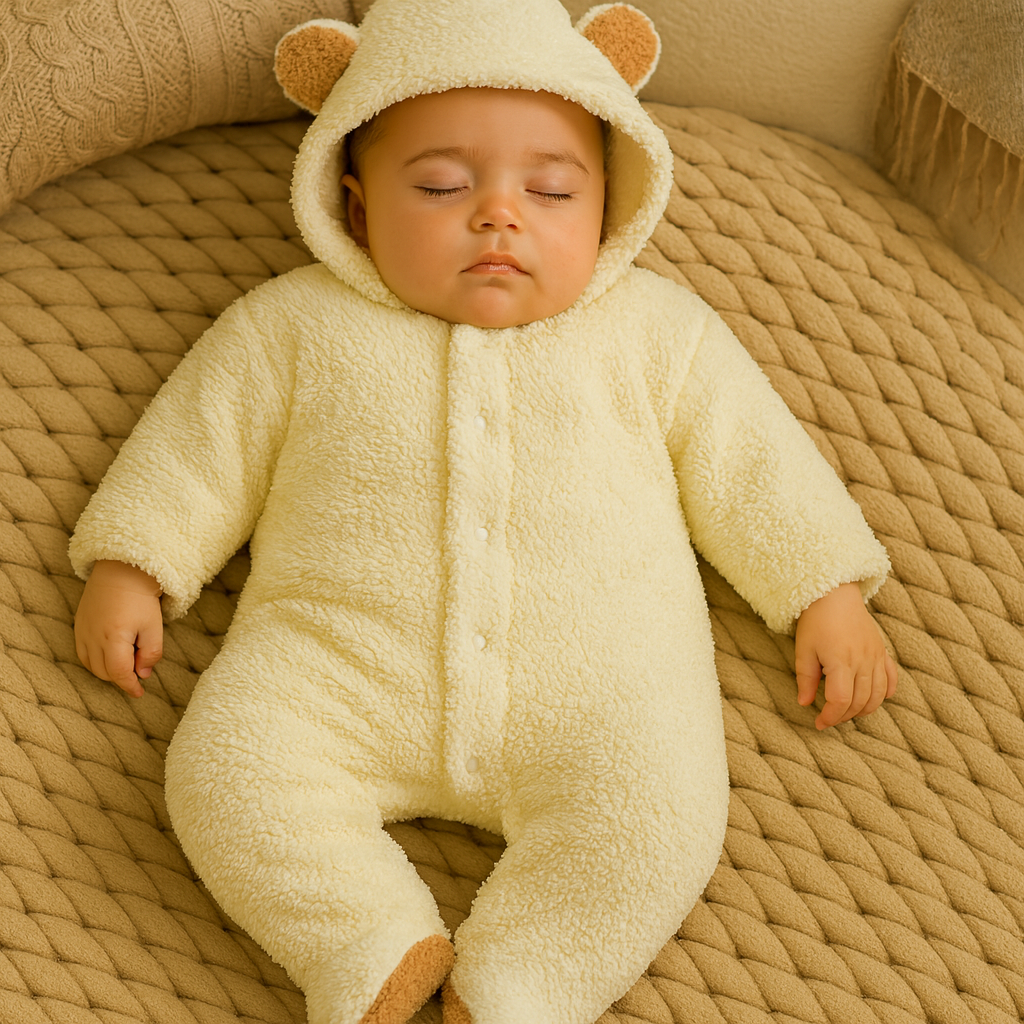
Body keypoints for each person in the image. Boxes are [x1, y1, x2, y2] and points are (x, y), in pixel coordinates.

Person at [69, 2, 896, 1023]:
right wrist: (136, 561)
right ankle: (364, 944)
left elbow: (755, 468)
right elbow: (201, 445)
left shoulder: (657, 333)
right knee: (226, 775)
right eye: (440, 186)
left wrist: (823, 592)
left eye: (550, 190)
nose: (500, 214)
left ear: (609, 202)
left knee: (655, 821)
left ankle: (526, 984)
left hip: (599, 694)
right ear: (355, 206)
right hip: (337, 669)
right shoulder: (291, 327)